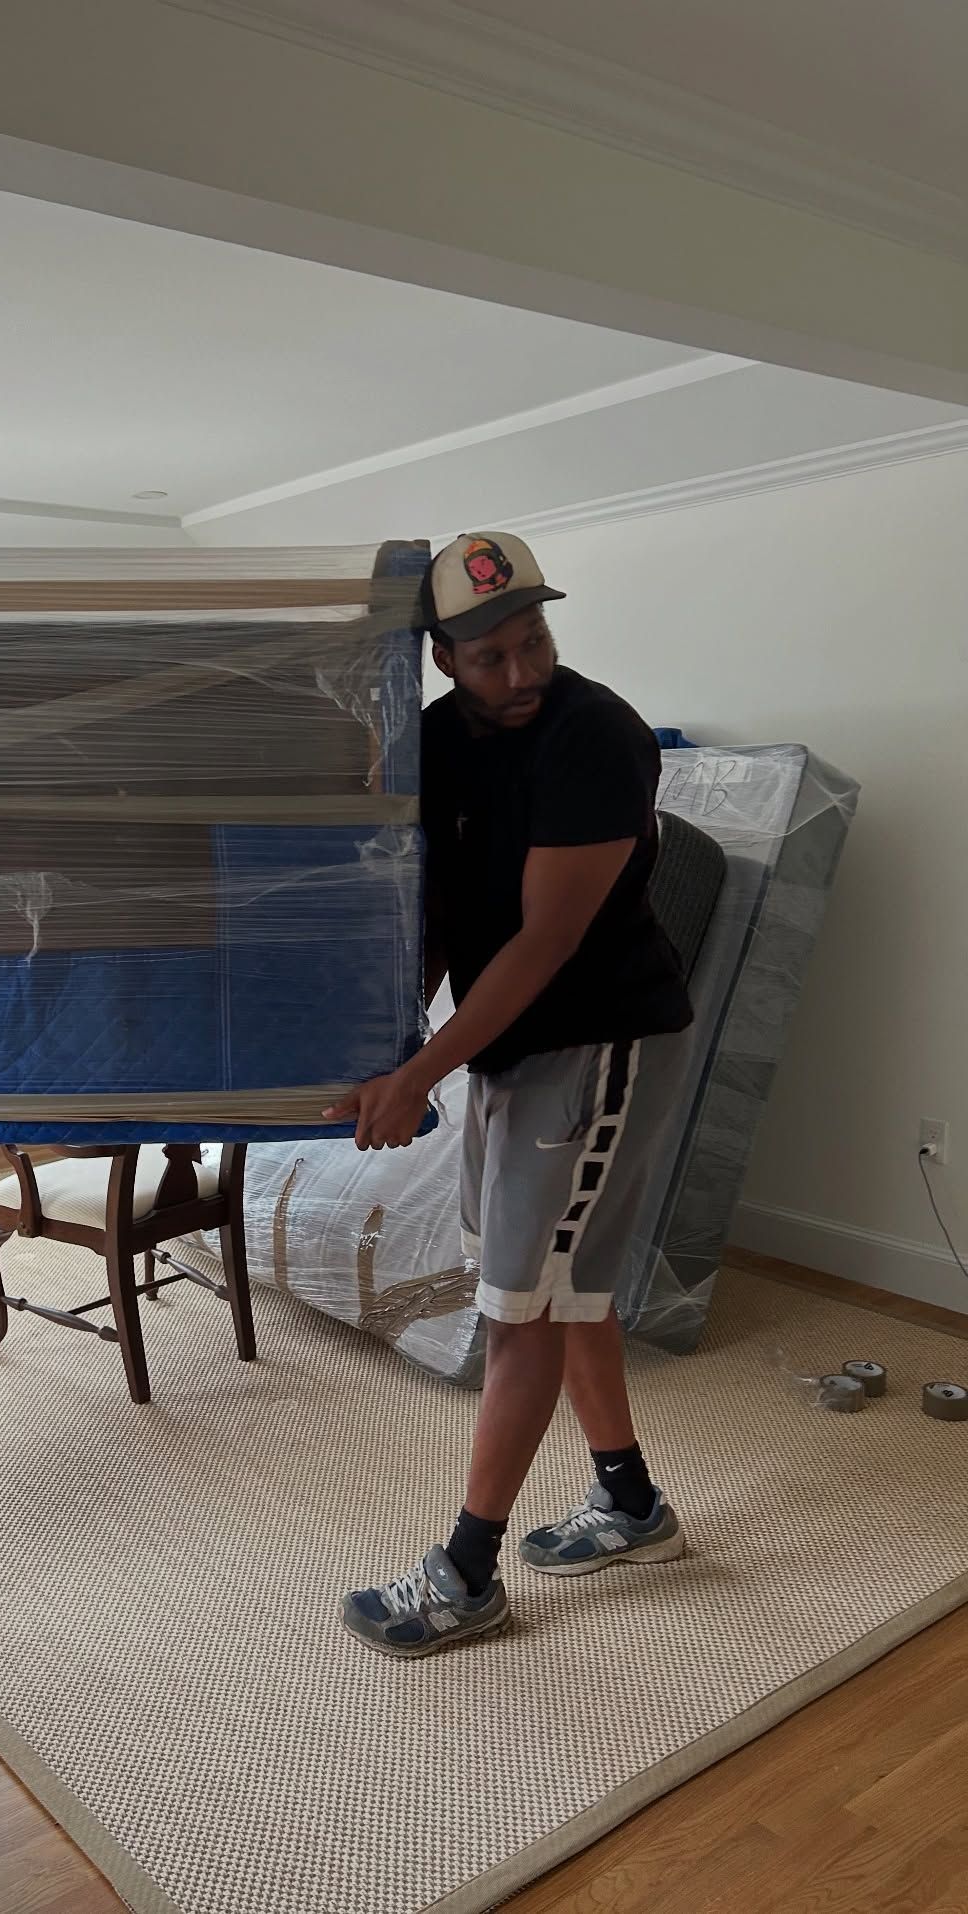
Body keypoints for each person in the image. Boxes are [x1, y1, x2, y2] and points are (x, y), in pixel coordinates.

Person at [328, 533, 694, 1659]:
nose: (523, 670)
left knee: (521, 1307)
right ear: (441, 657)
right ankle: (631, 1504)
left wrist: (420, 1072)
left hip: (596, 1041)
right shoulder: (435, 745)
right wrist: (384, 1044)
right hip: (513, 1050)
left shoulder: (596, 738)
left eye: (535, 639)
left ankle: (468, 1570)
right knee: (558, 1285)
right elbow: (439, 915)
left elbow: (543, 943)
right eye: (492, 654)